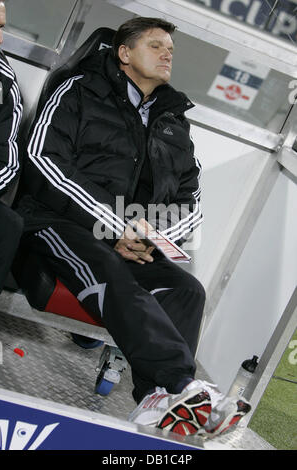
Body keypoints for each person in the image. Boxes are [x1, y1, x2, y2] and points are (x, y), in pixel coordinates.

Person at [17, 17, 250, 437]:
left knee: (187, 290)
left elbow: (190, 200)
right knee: (111, 273)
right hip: (56, 223)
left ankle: (155, 403)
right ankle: (181, 384)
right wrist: (117, 227)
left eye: (171, 50)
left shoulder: (173, 119)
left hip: (123, 238)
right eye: (156, 46)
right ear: (124, 54)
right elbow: (42, 158)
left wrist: (152, 240)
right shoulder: (78, 88)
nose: (167, 55)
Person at [0, 0, 23, 298]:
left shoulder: (4, 81)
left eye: (1, 27)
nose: (0, 38)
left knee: (7, 224)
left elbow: (6, 161)